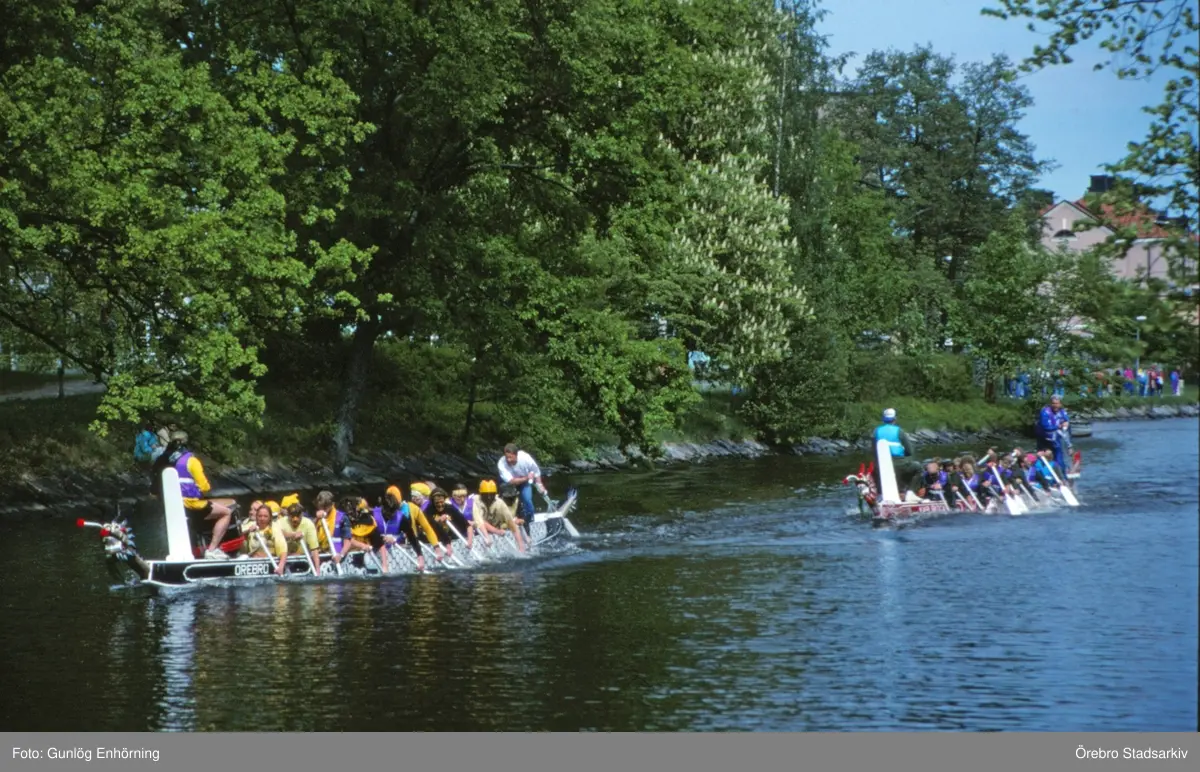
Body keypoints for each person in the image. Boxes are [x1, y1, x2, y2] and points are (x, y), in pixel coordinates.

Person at [156, 431, 237, 560]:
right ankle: (212, 550)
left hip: (173, 506)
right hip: (192, 504)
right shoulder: (191, 461)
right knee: (226, 513)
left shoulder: (163, 460)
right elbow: (204, 486)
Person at [497, 443, 546, 531]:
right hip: (509, 483)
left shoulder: (525, 458)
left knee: (527, 500)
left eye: (510, 457)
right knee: (506, 501)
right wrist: (527, 477)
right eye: (507, 457)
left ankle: (529, 521)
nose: (508, 460)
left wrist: (540, 485)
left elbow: (536, 471)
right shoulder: (501, 463)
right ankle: (506, 521)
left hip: (524, 480)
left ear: (516, 455)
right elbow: (511, 481)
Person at [473, 479, 526, 553]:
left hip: (494, 527)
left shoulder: (500, 503)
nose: (489, 497)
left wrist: (521, 547)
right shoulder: (475, 500)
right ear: (481, 494)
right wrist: (497, 532)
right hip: (477, 528)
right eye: (486, 495)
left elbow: (512, 525)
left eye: (491, 494)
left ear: (495, 494)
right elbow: (480, 522)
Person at [871, 408, 915, 496]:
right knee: (918, 468)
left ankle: (880, 493)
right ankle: (910, 492)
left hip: (881, 463)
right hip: (899, 462)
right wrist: (905, 455)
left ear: (883, 419)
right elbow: (910, 451)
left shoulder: (876, 431)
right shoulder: (899, 431)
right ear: (895, 419)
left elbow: (873, 450)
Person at [275, 503, 322, 576]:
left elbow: (314, 549)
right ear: (288, 515)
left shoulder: (308, 524)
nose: (295, 519)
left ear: (302, 515)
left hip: (302, 560)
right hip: (283, 559)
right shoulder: (280, 522)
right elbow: (277, 533)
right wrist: (292, 535)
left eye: (297, 516)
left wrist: (317, 571)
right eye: (292, 516)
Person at [428, 487, 473, 551]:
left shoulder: (450, 508)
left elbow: (468, 525)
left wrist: (469, 541)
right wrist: (438, 521)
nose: (440, 505)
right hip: (438, 544)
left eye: (442, 502)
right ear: (432, 502)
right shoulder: (428, 511)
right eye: (437, 503)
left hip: (454, 541)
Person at [1036, 394, 1070, 478]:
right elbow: (1046, 427)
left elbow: (1066, 423)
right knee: (1043, 459)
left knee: (1059, 460)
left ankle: (1062, 478)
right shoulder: (1045, 412)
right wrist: (1058, 426)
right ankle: (1041, 477)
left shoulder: (1062, 412)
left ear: (1060, 404)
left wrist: (1070, 446)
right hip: (1044, 439)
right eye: (1053, 403)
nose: (1055, 406)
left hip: (1055, 440)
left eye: (1057, 403)